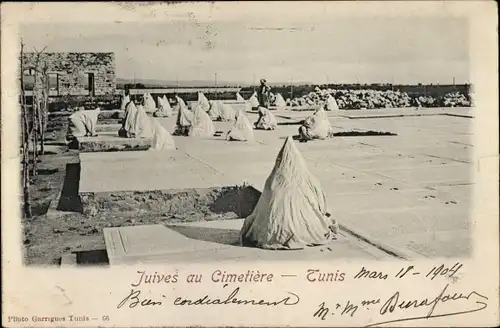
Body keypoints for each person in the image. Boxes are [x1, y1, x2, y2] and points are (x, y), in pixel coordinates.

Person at [240, 136, 337, 249]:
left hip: (273, 231)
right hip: (304, 229)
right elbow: (323, 206)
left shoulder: (272, 181)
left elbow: (261, 208)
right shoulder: (310, 180)